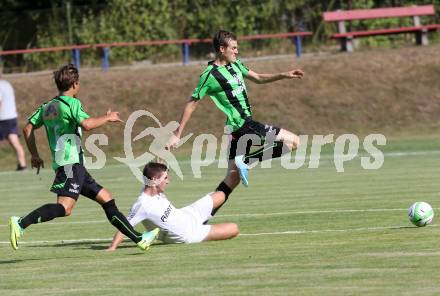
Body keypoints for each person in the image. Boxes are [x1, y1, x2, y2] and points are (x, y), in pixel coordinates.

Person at [8, 64, 159, 251]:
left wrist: (35, 155)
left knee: (107, 199)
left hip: (71, 165)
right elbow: (86, 124)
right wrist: (108, 118)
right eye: (79, 83)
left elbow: (27, 128)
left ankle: (139, 239)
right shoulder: (72, 104)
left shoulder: (47, 106)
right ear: (74, 84)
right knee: (65, 208)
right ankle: (21, 223)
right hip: (71, 164)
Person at [167, 29, 304, 215]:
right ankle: (247, 160)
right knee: (294, 142)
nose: (237, 51)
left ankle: (200, 219)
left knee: (231, 180)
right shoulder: (210, 75)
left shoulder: (236, 65)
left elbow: (257, 78)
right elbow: (192, 103)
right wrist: (177, 134)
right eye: (233, 48)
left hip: (236, 130)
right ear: (222, 49)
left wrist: (284, 74)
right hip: (244, 125)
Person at [107, 161, 239, 250]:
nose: (168, 181)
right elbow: (124, 226)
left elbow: (156, 170)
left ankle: (241, 158)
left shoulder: (153, 188)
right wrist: (112, 248)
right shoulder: (142, 204)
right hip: (190, 234)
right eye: (165, 178)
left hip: (189, 214)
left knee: (221, 194)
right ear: (154, 180)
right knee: (234, 229)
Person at [0, 72, 27, 170]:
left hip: (3, 118)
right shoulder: (7, 84)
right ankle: (23, 165)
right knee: (14, 142)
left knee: (14, 142)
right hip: (11, 117)